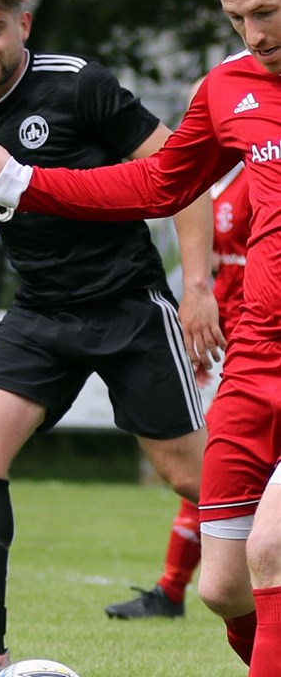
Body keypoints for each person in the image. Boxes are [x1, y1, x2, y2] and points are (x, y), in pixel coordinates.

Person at [0, 0, 281, 677]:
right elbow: (155, 187)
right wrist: (26, 180)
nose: (253, 34)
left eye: (268, 13)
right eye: (236, 16)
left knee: (267, 552)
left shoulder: (94, 82)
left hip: (188, 328)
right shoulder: (229, 90)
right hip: (256, 361)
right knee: (220, 588)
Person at [0, 0, 219, 677]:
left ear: (23, 26)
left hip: (128, 305)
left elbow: (184, 171)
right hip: (40, 310)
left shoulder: (80, 86)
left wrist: (195, 286)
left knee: (191, 475)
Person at [106, 153, 252, 619]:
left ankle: (174, 590)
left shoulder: (260, 170)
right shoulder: (207, 178)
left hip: (258, 343)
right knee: (215, 467)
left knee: (229, 471)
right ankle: (171, 589)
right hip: (225, 339)